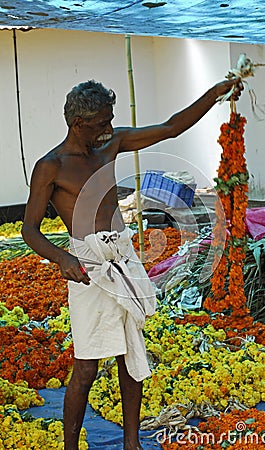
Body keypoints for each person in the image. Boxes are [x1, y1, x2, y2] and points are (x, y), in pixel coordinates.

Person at [21, 77, 243, 450]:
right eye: (101, 123)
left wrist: (215, 93)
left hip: (122, 254)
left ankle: (130, 442)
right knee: (87, 366)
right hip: (88, 265)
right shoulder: (51, 167)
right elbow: (29, 229)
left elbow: (172, 128)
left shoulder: (112, 144)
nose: (109, 128)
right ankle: (70, 446)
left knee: (131, 354)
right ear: (79, 125)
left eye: (111, 120)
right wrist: (62, 258)